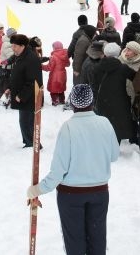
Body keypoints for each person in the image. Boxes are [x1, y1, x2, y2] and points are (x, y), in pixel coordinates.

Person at [26, 84, 119, 255]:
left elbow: (58, 170)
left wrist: (37, 189)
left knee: (75, 240)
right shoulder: (105, 123)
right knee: (97, 238)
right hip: (99, 192)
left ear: (73, 103)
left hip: (71, 195)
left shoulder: (68, 128)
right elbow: (114, 155)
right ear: (92, 101)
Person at [8, 34, 44, 147]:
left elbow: (33, 81)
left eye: (15, 46)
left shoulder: (30, 59)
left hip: (29, 97)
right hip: (23, 96)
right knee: (24, 122)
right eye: (12, 46)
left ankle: (33, 145)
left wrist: (21, 95)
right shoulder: (21, 56)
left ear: (22, 46)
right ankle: (29, 142)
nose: (13, 48)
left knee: (27, 122)